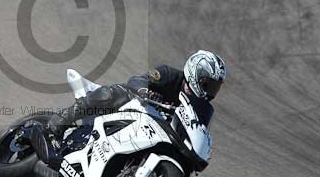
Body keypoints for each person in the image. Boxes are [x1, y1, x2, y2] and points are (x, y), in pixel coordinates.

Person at [32, 50, 227, 168]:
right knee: (113, 93)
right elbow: (137, 80)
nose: (210, 91)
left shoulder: (200, 107)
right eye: (208, 84)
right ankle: (56, 124)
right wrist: (144, 91)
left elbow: (197, 129)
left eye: (215, 88)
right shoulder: (169, 75)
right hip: (133, 108)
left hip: (154, 133)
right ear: (195, 74)